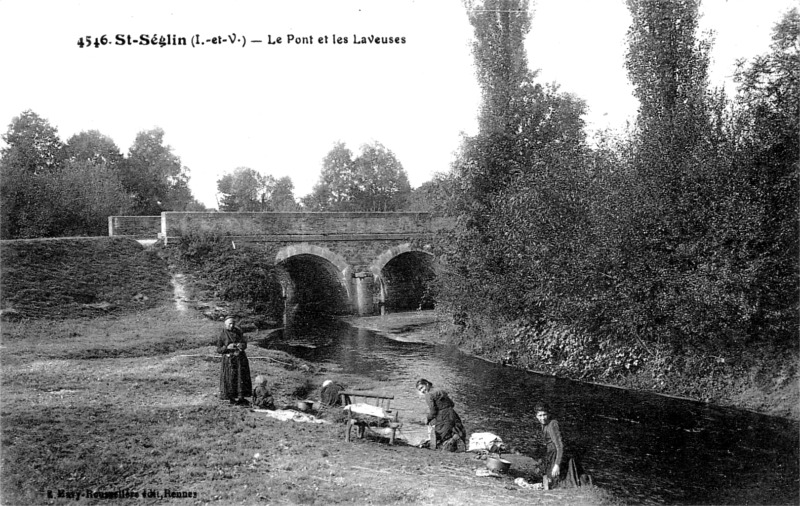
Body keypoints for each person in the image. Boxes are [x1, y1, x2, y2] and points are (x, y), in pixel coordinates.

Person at [535, 402, 591, 489]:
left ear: (548, 414)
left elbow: (560, 446)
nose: (543, 418)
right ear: (536, 416)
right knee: (545, 476)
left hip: (558, 454)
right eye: (540, 415)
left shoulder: (552, 424)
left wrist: (557, 465)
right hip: (551, 453)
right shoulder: (544, 425)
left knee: (555, 481)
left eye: (545, 415)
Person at [416, 378, 466, 452]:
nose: (422, 391)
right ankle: (457, 445)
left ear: (426, 384)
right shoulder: (440, 390)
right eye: (420, 390)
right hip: (452, 414)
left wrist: (427, 419)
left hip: (443, 416)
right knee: (455, 430)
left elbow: (433, 411)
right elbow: (452, 404)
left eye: (422, 388)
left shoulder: (428, 395)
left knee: (441, 434)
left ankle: (449, 446)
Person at [215, 316, 252, 406]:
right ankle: (231, 398)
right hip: (229, 360)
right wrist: (227, 347)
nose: (231, 326)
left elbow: (244, 343)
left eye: (233, 323)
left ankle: (241, 397)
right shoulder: (222, 334)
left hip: (240, 359)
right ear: (225, 324)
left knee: (241, 377)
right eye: (229, 324)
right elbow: (219, 349)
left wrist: (241, 345)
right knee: (230, 378)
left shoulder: (238, 331)